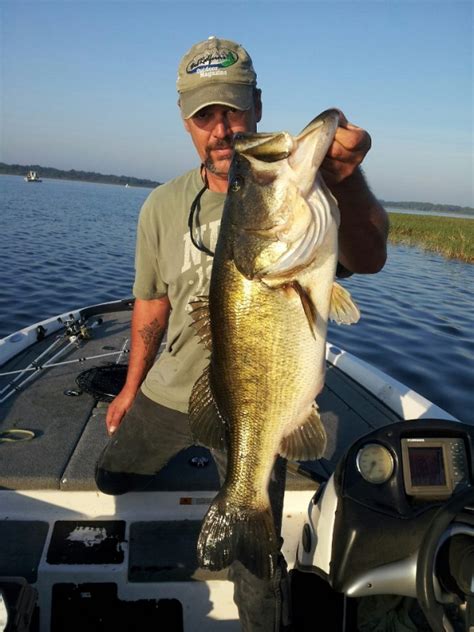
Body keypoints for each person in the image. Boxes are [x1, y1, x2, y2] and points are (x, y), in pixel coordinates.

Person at [96, 36, 389, 631]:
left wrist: (349, 180)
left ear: (256, 105)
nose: (223, 129)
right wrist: (130, 389)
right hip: (174, 392)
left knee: (257, 562)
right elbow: (151, 306)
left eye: (233, 109)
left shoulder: (307, 202)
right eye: (206, 116)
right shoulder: (160, 206)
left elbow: (371, 253)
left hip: (262, 402)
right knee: (109, 476)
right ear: (187, 125)